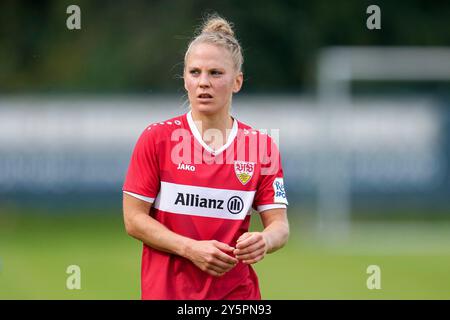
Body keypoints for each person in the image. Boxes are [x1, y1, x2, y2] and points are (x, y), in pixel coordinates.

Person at [122, 14, 289, 300]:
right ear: (184, 79)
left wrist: (264, 240)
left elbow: (280, 225)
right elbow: (134, 219)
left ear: (237, 82)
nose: (203, 83)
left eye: (215, 73)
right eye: (195, 72)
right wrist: (190, 248)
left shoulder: (259, 146)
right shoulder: (157, 139)